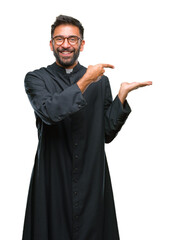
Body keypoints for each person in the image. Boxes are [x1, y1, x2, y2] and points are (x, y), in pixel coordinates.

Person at [22, 15, 152, 240]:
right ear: (51, 44)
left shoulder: (101, 81)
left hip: (92, 177)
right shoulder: (36, 79)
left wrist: (121, 97)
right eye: (59, 39)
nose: (65, 44)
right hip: (53, 177)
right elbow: (50, 112)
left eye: (72, 39)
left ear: (82, 44)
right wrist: (85, 81)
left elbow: (106, 133)